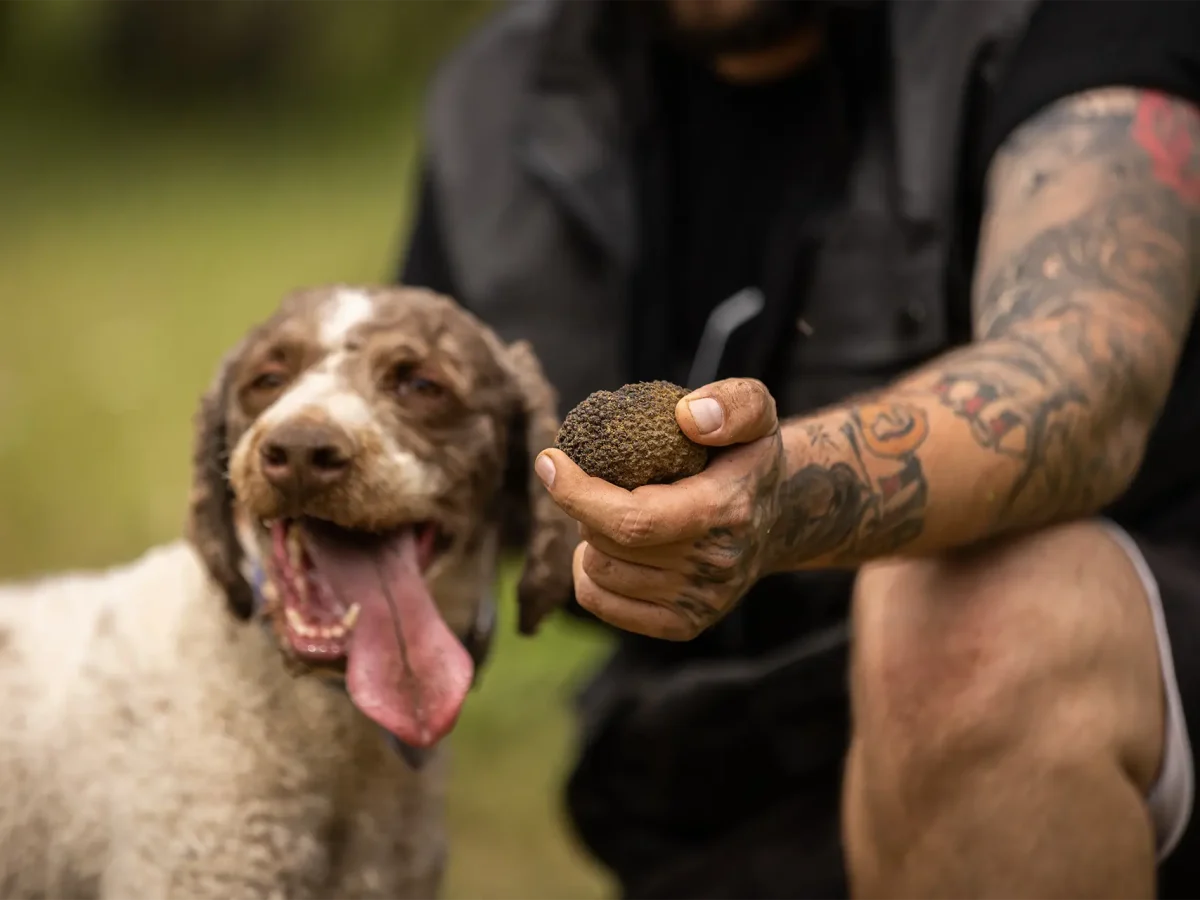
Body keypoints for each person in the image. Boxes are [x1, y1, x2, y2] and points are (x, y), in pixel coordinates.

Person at [397, 0, 1200, 896]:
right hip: (719, 775)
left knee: (976, 623)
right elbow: (424, 460)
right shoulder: (497, 99)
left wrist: (781, 493)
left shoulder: (1060, 21)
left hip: (1117, 704)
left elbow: (1086, 375)